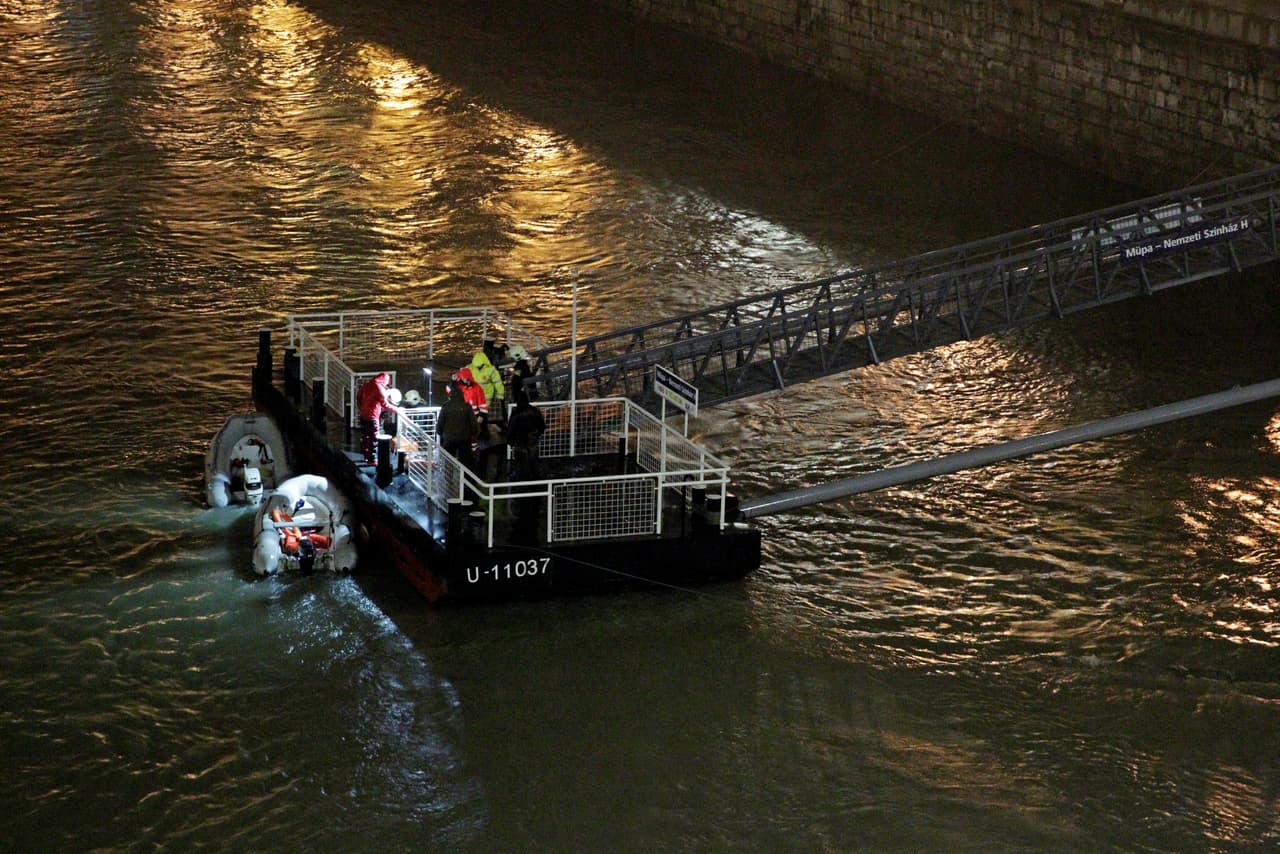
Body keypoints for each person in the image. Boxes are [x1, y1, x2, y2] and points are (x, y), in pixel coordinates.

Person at [436, 380, 478, 471]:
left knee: (449, 461)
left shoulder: (446, 406)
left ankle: (448, 477)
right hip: (464, 438)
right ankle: (466, 478)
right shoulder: (467, 406)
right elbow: (473, 422)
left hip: (449, 438)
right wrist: (474, 433)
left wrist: (440, 433)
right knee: (466, 461)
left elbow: (440, 422)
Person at [505, 391, 545, 482]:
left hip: (520, 442)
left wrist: (510, 441)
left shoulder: (516, 412)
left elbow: (511, 428)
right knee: (534, 461)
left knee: (521, 463)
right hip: (532, 440)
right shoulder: (534, 411)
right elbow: (541, 425)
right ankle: (536, 479)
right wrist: (537, 434)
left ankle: (522, 480)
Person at [355, 372, 393, 465]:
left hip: (364, 415)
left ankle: (365, 455)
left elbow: (358, 396)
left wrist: (361, 408)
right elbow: (385, 404)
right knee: (374, 438)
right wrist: (397, 410)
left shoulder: (367, 385)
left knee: (365, 436)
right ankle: (372, 460)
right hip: (373, 417)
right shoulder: (379, 388)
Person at [468, 348, 505, 423]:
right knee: (477, 419)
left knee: (482, 419)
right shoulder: (469, 368)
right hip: (474, 399)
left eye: (480, 366)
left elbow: (498, 383)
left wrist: (500, 395)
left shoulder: (491, 370)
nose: (478, 367)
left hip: (486, 399)